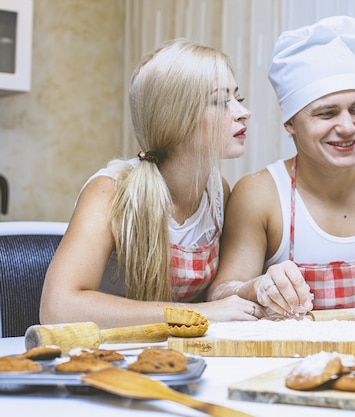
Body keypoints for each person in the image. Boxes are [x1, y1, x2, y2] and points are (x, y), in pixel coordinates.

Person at [39, 39, 262, 328]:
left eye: (238, 99)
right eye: (221, 102)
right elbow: (58, 309)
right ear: (177, 117)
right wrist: (197, 315)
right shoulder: (110, 192)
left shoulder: (218, 192)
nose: (243, 112)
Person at [207, 16, 355, 316]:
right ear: (290, 123)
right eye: (327, 113)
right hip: (294, 361)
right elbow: (221, 293)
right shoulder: (260, 195)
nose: (348, 127)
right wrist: (259, 286)